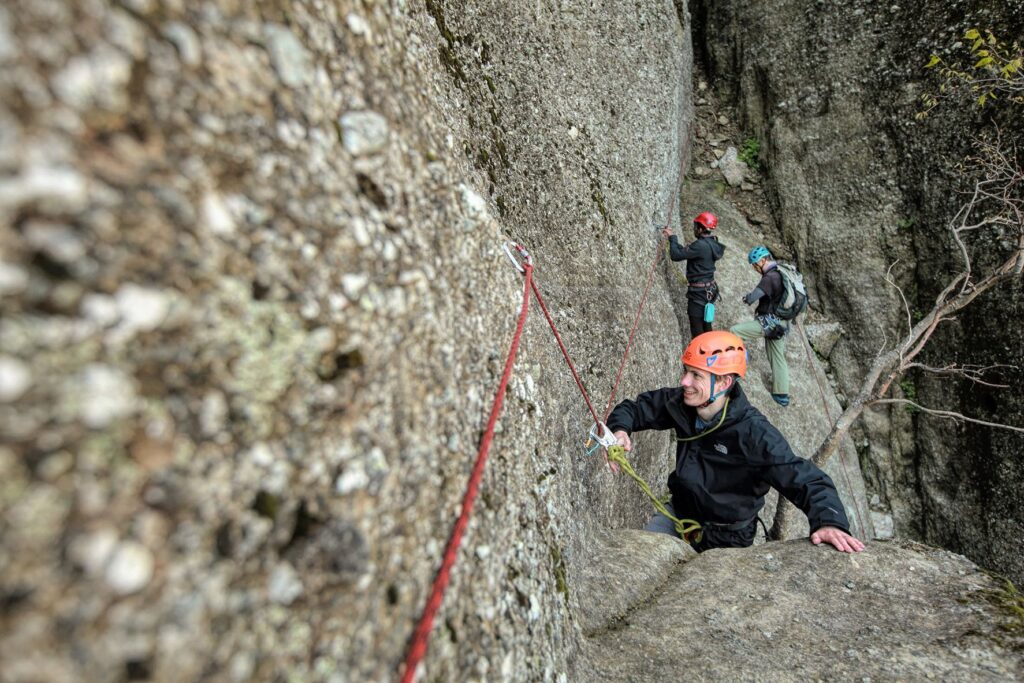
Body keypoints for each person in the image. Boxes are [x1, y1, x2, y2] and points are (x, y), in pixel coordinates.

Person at [606, 330, 864, 553]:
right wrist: (620, 430)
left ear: (724, 382)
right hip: (680, 515)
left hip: (727, 536)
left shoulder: (754, 433)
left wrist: (829, 521)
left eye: (696, 375)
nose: (685, 382)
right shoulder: (681, 403)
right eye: (686, 372)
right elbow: (635, 409)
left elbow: (804, 477)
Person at [730, 245, 790, 407]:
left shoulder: (770, 277)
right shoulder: (782, 273)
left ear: (764, 260)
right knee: (777, 357)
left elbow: (753, 297)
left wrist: (747, 298)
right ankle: (782, 394)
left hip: (768, 322)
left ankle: (738, 364)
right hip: (782, 323)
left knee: (735, 332)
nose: (755, 268)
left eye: (756, 264)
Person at [662, 212, 724, 339]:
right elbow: (685, 252)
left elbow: (676, 255)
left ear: (701, 228)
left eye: (695, 226)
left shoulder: (700, 245)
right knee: (706, 326)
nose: (694, 229)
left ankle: (701, 356)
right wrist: (673, 240)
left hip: (698, 294)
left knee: (697, 332)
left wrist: (673, 238)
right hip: (709, 291)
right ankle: (711, 354)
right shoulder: (712, 244)